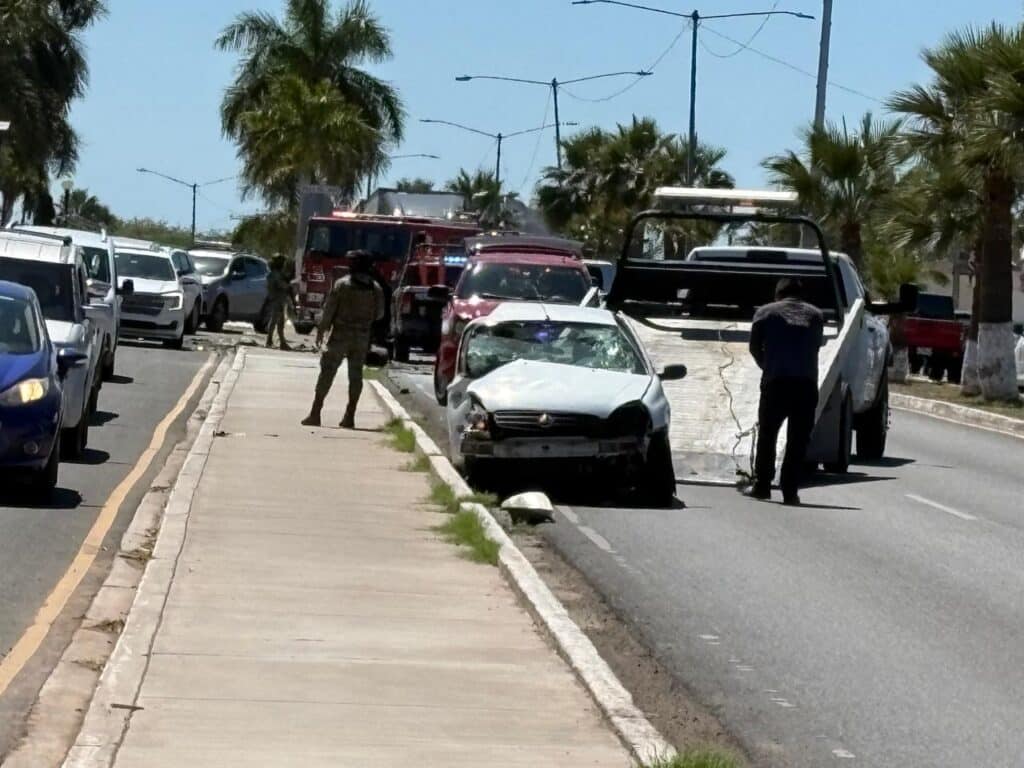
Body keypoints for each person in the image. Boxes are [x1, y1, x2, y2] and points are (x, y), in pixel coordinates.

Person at [748, 277, 824, 505]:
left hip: (776, 382)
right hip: (806, 384)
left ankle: (762, 485)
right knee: (798, 440)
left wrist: (767, 365)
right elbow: (816, 345)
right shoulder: (816, 315)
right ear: (801, 295)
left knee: (768, 434)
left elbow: (753, 346)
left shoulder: (764, 313)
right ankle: (790, 490)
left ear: (778, 294)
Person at [301, 250, 385, 429]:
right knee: (355, 377)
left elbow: (329, 310)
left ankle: (315, 413)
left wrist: (321, 331)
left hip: (340, 335)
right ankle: (349, 416)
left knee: (327, 373)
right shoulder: (375, 288)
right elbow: (380, 314)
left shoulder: (342, 284)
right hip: (361, 337)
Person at [265, 257, 292, 350]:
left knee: (280, 322)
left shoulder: (273, 274)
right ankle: (269, 341)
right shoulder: (276, 275)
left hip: (276, 299)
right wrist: (289, 285)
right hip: (277, 300)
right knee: (275, 321)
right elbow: (281, 285)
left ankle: (282, 342)